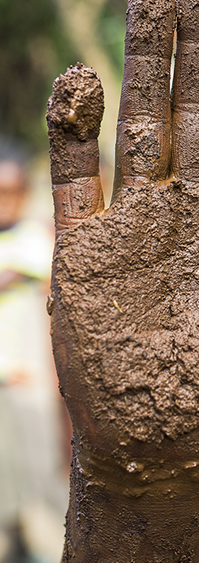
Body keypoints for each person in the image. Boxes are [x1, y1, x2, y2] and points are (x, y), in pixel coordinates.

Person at [0, 137, 65, 560]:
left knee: (42, 494)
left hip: (32, 391)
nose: (6, 202)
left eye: (13, 192)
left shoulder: (40, 241)